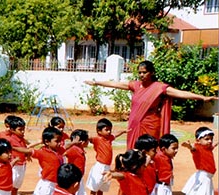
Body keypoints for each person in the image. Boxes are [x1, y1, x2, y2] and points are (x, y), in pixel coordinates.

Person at [85, 60, 217, 149]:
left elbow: (180, 93)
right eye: (140, 72)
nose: (141, 75)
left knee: (150, 149)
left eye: (144, 72)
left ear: (151, 72)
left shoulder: (159, 87)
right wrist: (97, 83)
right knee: (134, 151)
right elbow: (116, 84)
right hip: (134, 124)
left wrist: (202, 98)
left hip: (150, 124)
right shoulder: (136, 85)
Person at [86, 118, 126, 195]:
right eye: (106, 130)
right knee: (95, 187)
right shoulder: (97, 139)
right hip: (100, 166)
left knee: (102, 186)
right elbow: (88, 138)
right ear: (99, 131)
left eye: (110, 129)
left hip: (107, 167)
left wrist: (123, 131)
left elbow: (115, 134)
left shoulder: (109, 138)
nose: (109, 132)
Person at [181, 127, 217, 195]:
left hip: (207, 177)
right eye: (206, 139)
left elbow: (212, 146)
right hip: (202, 177)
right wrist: (189, 146)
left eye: (211, 139)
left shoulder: (208, 148)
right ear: (198, 140)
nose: (209, 141)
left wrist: (214, 144)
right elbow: (193, 148)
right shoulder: (197, 148)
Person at [64, 129, 91, 195]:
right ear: (82, 142)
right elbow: (62, 152)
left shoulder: (80, 149)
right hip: (73, 179)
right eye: (87, 140)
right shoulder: (73, 149)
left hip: (78, 178)